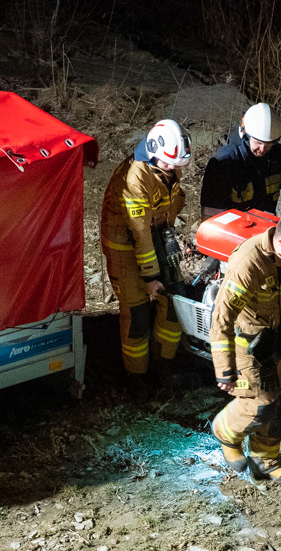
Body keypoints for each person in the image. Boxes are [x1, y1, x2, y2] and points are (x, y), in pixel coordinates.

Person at [209, 211, 281, 483]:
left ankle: (265, 462)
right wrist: (224, 369)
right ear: (279, 240)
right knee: (260, 404)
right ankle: (224, 431)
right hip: (247, 347)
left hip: (276, 343)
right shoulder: (249, 263)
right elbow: (222, 317)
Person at [100, 119, 192, 395]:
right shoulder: (135, 177)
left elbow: (167, 207)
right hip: (124, 246)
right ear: (153, 151)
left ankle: (164, 365)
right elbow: (139, 233)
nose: (175, 169)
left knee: (175, 301)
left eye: (178, 164)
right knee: (137, 312)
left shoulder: (167, 166)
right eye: (169, 163)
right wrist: (151, 277)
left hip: (153, 236)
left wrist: (169, 237)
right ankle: (136, 379)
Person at [200, 102, 281, 230]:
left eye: (268, 144)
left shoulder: (278, 156)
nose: (262, 149)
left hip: (265, 228)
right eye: (258, 142)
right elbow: (211, 216)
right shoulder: (225, 162)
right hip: (232, 232)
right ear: (246, 135)